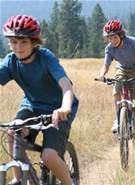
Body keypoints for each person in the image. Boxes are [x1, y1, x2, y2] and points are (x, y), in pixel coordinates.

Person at [1, 15, 79, 185]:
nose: (18, 47)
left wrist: (65, 107)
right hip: (31, 107)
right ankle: (18, 178)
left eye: (23, 42)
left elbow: (66, 85)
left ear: (34, 42)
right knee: (12, 132)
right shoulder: (11, 61)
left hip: (58, 110)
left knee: (49, 156)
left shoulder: (46, 58)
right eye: (13, 42)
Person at [99, 19, 135, 137]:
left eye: (114, 37)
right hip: (122, 70)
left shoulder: (133, 42)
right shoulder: (109, 48)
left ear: (121, 35)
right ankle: (118, 118)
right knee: (116, 90)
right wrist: (102, 74)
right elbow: (106, 64)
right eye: (109, 38)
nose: (112, 40)